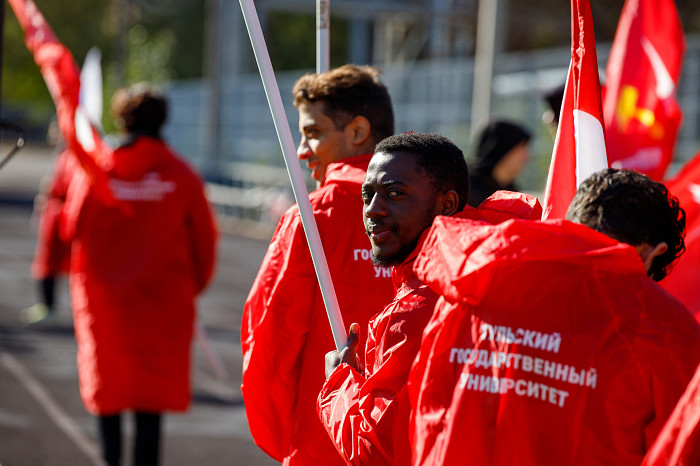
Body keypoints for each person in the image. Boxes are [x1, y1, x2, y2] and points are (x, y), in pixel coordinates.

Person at [408, 168, 700, 465]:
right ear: (650, 253)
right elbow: (681, 448)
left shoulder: (471, 277)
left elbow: (423, 404)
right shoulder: (661, 325)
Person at [318, 132, 543, 465]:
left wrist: (338, 384)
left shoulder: (418, 308)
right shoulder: (511, 274)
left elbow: (376, 451)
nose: (373, 210)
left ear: (447, 204)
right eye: (368, 195)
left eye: (394, 194)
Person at [241, 64, 397, 465]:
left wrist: (286, 437)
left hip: (325, 437)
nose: (301, 150)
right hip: (412, 440)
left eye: (313, 133)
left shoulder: (312, 219)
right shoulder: (437, 213)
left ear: (358, 132)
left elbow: (269, 338)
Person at [22, 147, 77, 324]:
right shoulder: (63, 155)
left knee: (76, 264)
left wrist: (52, 190)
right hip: (53, 215)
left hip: (63, 216)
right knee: (46, 262)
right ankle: (47, 304)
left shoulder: (74, 157)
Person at [468, 120, 532, 207]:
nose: (527, 157)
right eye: (522, 147)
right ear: (504, 149)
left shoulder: (515, 197)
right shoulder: (465, 192)